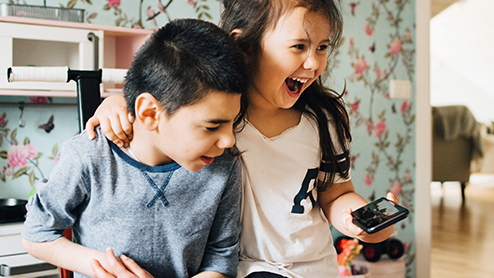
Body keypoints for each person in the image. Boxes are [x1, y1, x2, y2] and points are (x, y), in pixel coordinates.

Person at [86, 0, 400, 277]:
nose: (314, 63)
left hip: (310, 267)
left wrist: (355, 221)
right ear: (245, 47)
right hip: (235, 266)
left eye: (322, 47)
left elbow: (335, 192)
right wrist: (115, 104)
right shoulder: (217, 120)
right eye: (299, 47)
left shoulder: (322, 120)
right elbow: (161, 114)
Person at [21, 18, 249, 278]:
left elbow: (221, 256)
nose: (229, 140)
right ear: (150, 113)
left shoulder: (224, 165)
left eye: (233, 123)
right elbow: (35, 234)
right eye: (212, 126)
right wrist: (107, 269)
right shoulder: (90, 154)